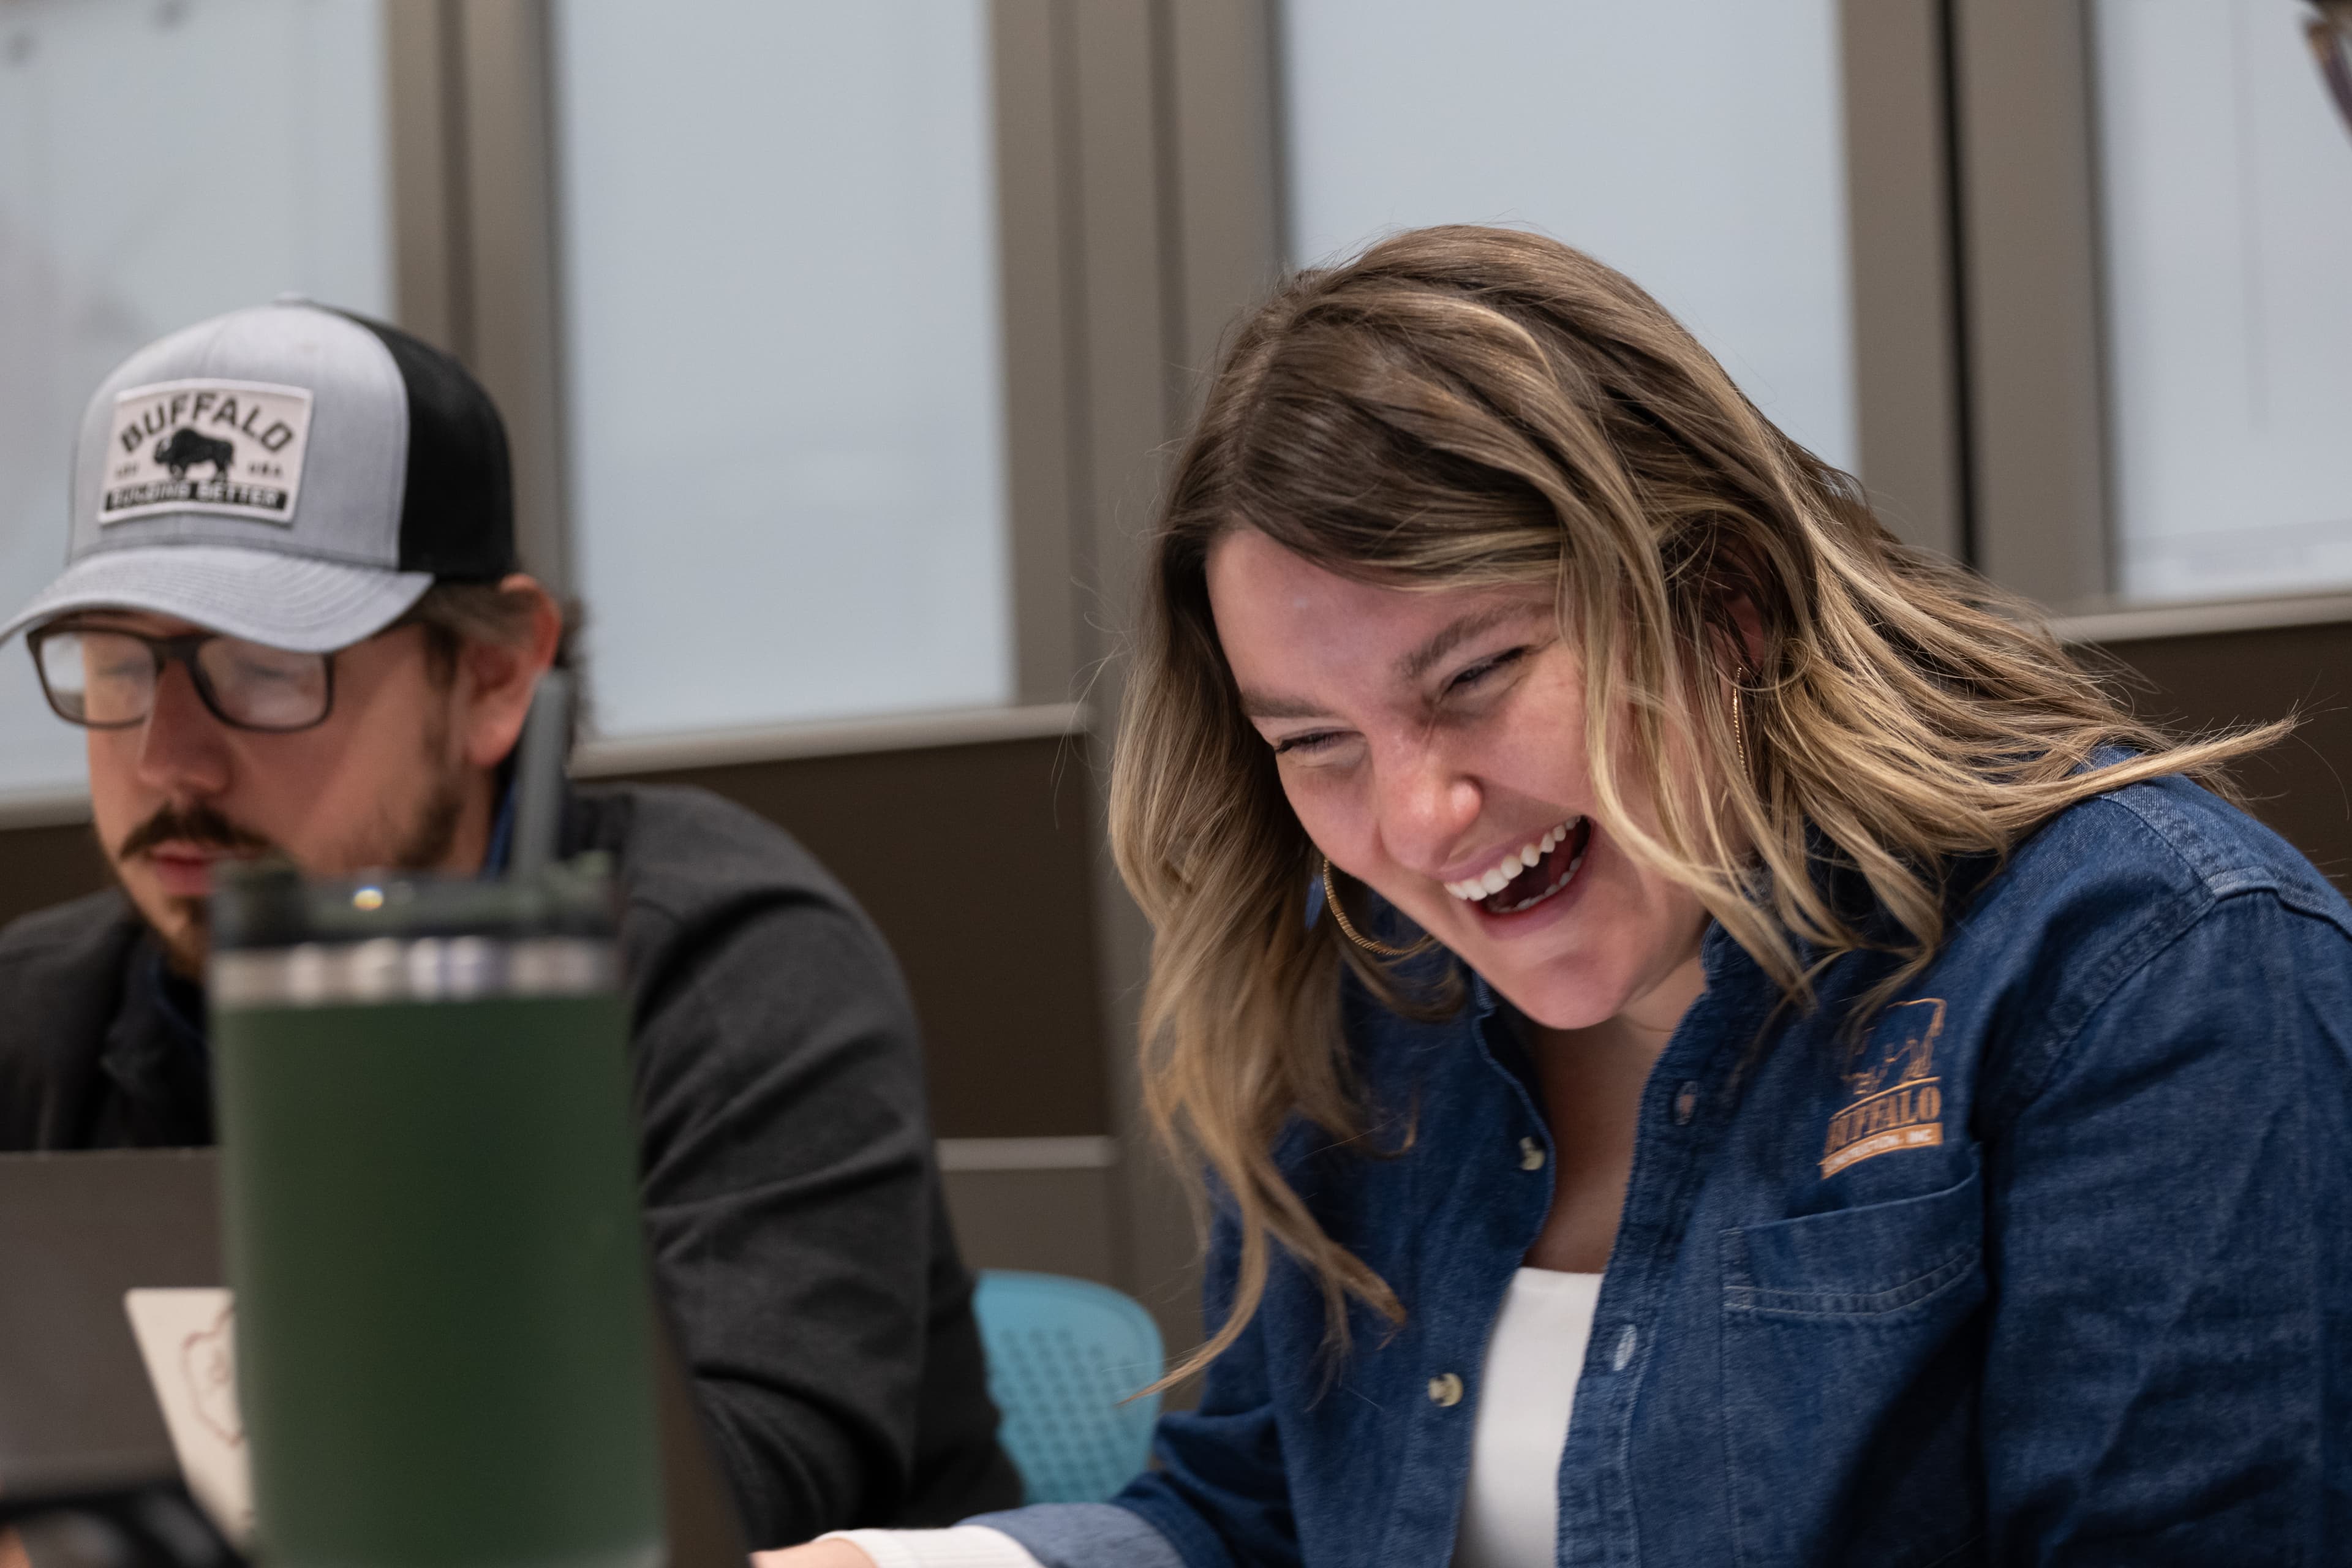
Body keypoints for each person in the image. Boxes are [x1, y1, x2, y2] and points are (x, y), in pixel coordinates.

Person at [780, 227, 2352, 1568]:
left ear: (1723, 607)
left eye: (1476, 676)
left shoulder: (2149, 963)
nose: (1415, 818)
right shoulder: (1368, 1004)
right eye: (1316, 744)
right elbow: (1264, 1509)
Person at [0, 301, 1020, 1547]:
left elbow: (722, 1497)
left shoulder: (725, 963)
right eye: (114, 669)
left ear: (492, 675)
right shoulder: (38, 1009)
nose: (169, 761)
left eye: (263, 669)